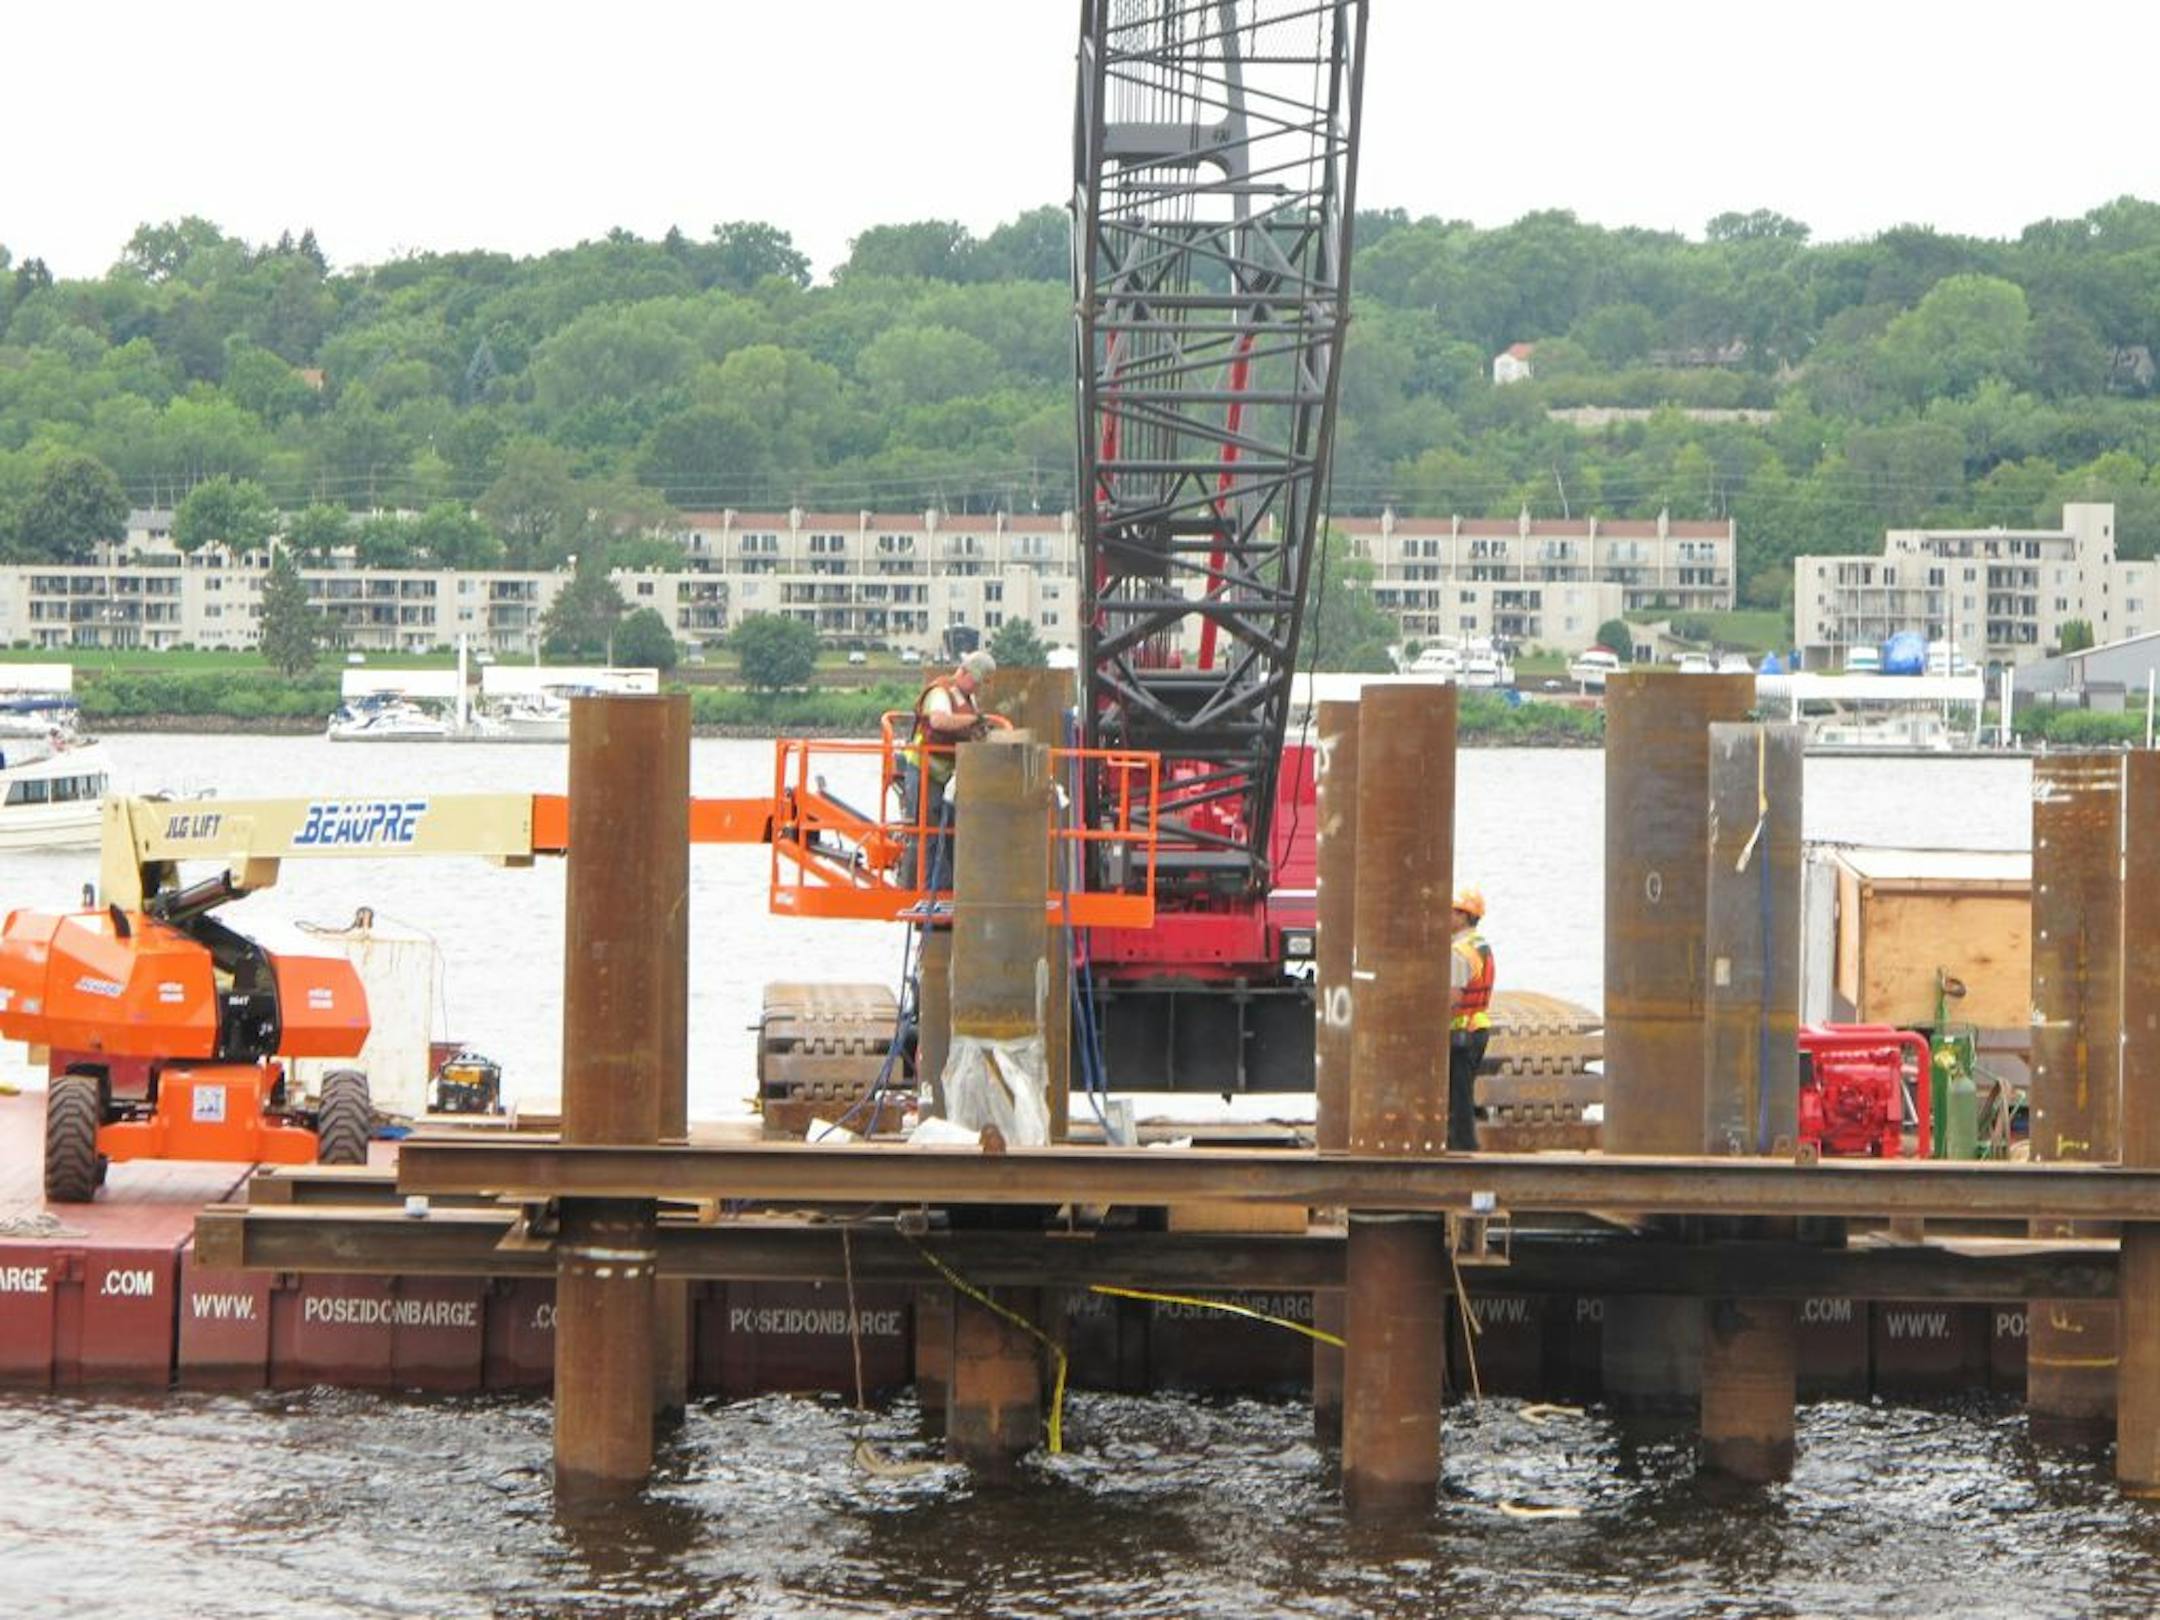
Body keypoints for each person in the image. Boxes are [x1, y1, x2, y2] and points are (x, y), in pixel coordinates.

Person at [903, 647, 999, 894]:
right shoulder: (940, 693)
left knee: (952, 834)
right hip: (925, 772)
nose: (978, 688)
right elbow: (938, 721)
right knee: (933, 834)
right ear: (966, 673)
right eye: (976, 682)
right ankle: (935, 896)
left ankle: (951, 891)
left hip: (947, 777)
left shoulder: (968, 699)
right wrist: (973, 722)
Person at [1447, 885, 1495, 1152]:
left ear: (1463, 916)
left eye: (1451, 912)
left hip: (1461, 1032)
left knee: (1458, 1097)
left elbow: (1454, 997)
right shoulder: (1480, 945)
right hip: (1479, 1029)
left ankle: (1462, 1148)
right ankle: (1459, 1144)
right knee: (1462, 1092)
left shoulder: (1459, 952)